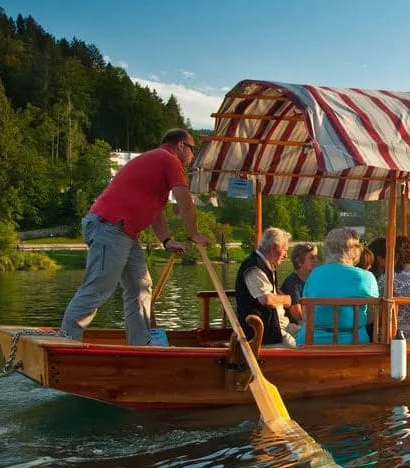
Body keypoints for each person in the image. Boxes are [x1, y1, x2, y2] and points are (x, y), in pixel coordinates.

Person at [59, 129, 209, 345]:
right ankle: (66, 341)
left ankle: (140, 344)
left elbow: (155, 212)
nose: (193, 156)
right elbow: (185, 203)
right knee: (98, 286)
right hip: (110, 226)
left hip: (121, 231)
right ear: (180, 146)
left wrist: (166, 240)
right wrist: (194, 234)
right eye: (192, 149)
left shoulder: (155, 164)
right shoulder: (169, 159)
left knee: (141, 285)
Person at [297, 228, 379, 345]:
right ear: (355, 250)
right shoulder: (366, 277)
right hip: (353, 343)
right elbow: (373, 315)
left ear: (327, 249)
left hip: (311, 342)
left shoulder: (315, 274)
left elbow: (305, 315)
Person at [235, 227, 295, 347]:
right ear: (273, 248)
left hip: (278, 325)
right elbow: (265, 299)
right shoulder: (254, 266)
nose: (286, 255)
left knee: (312, 336)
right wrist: (286, 299)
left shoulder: (267, 266)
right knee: (299, 348)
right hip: (264, 334)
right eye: (284, 250)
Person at [281, 242, 319, 326]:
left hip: (311, 323)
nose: (316, 260)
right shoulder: (292, 281)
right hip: (295, 326)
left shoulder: (315, 279)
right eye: (312, 258)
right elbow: (297, 315)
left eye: (316, 257)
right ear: (299, 262)